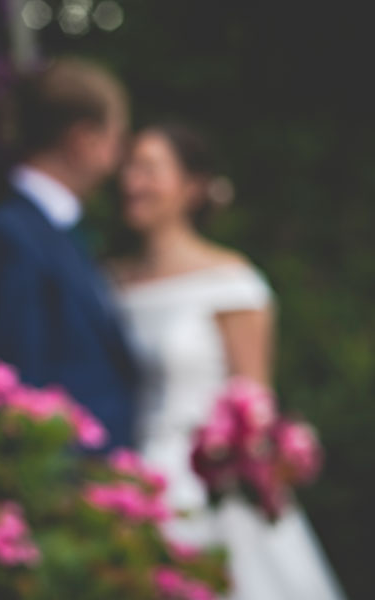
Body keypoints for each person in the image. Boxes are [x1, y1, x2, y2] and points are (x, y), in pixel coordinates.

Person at [114, 122, 345, 599]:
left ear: (192, 187)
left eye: (150, 169)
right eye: (129, 167)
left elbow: (254, 400)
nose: (132, 182)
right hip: (123, 476)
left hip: (207, 485)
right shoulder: (108, 281)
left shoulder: (232, 284)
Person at [0, 57, 137, 450]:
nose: (119, 161)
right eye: (117, 140)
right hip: (62, 479)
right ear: (85, 140)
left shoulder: (61, 230)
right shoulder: (14, 234)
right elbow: (19, 379)